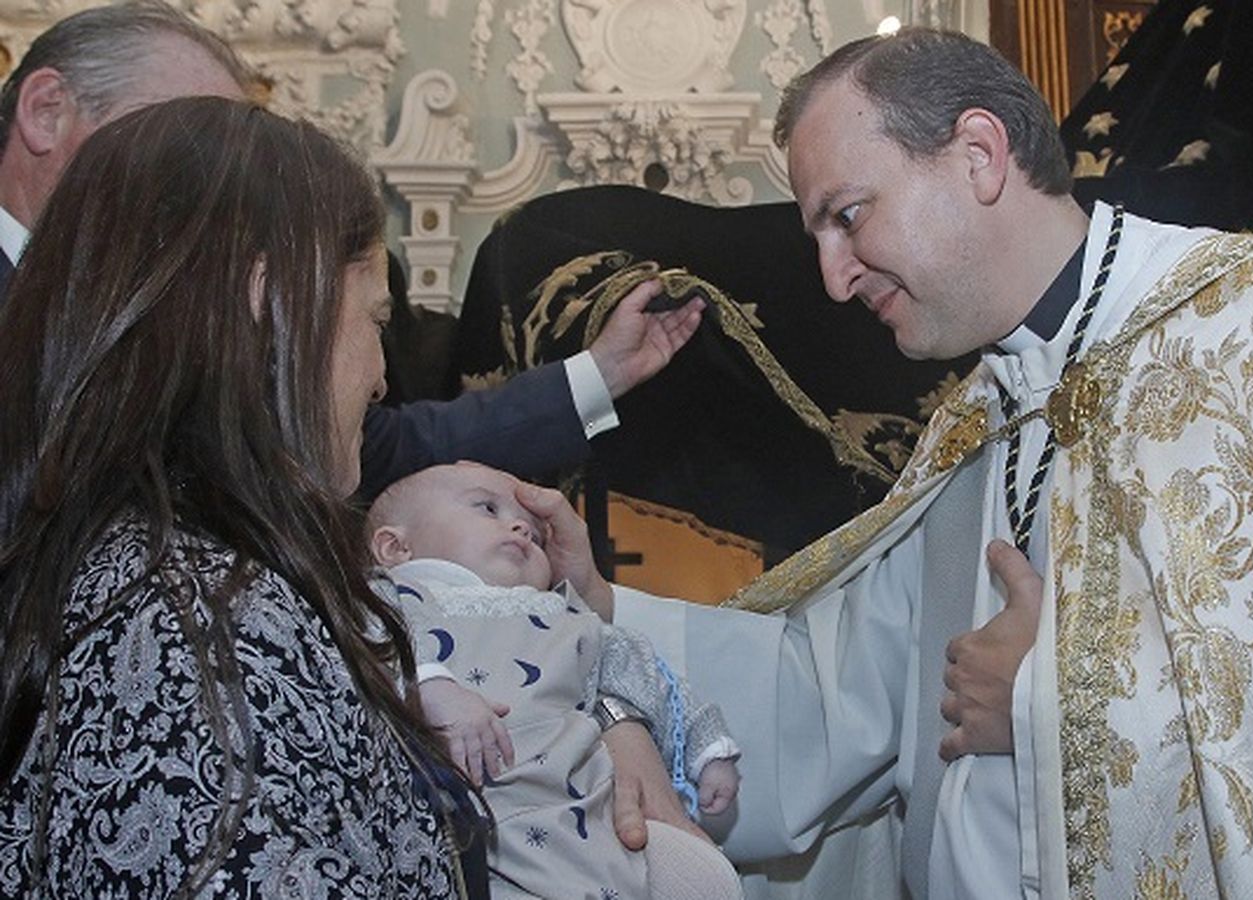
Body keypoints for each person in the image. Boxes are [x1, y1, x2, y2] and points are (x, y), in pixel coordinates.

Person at [603, 28, 1253, 898]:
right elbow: (830, 702)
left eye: (847, 215)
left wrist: (1052, 706)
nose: (831, 275)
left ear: (978, 155)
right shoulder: (973, 429)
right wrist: (589, 626)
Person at [0, 96, 464, 894]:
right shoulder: (201, 632)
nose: (384, 377)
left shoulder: (153, 572)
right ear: (270, 297)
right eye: (375, 319)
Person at [0, 0, 704, 498]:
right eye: (180, 144)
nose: (213, 191)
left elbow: (381, 447)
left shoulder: (199, 315)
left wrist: (596, 374)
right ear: (46, 111)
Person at [366, 461, 743, 899]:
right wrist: (428, 684)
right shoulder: (389, 598)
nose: (520, 529)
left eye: (535, 532)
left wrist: (708, 745)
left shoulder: (566, 613)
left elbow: (645, 671)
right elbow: (359, 647)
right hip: (470, 827)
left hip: (583, 813)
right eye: (487, 508)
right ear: (396, 548)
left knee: (707, 877)